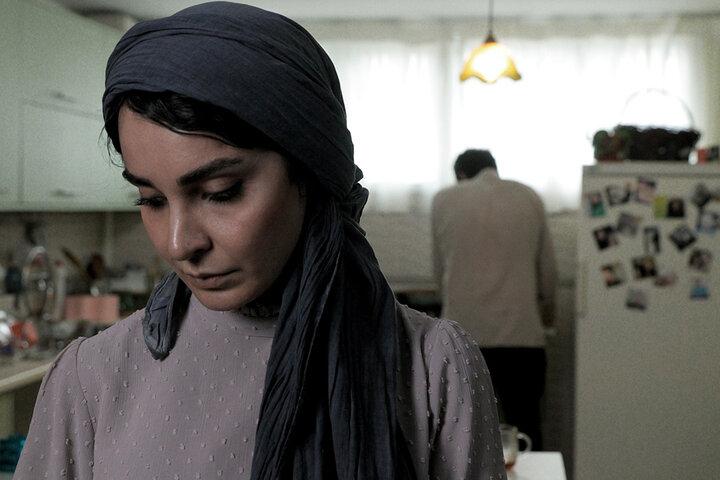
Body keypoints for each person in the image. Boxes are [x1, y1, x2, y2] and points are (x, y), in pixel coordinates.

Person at [14, 3, 506, 479]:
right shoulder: (90, 378)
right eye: (152, 199)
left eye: (220, 192)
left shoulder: (433, 366)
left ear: (310, 174)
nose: (179, 244)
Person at [431, 149, 557, 450]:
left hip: (463, 337)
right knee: (525, 428)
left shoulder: (444, 200)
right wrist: (547, 315)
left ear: (461, 175)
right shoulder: (529, 197)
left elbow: (439, 273)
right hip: (521, 336)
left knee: (461, 433)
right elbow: (548, 273)